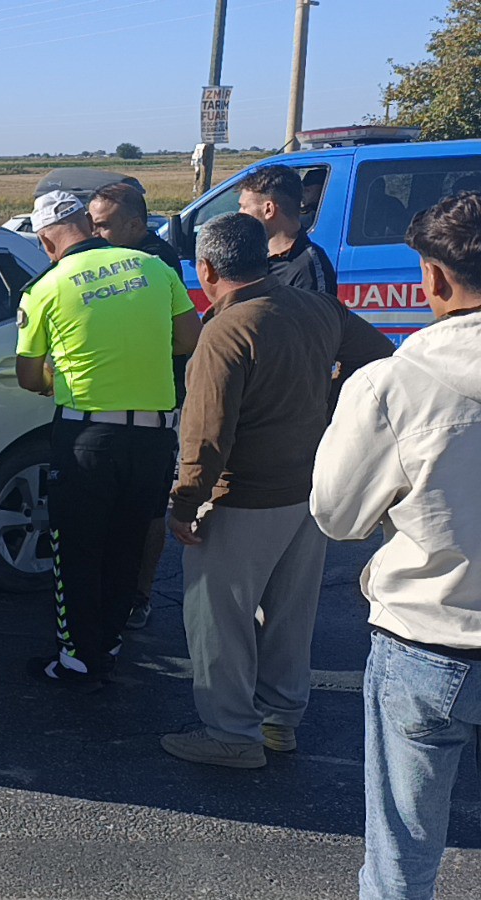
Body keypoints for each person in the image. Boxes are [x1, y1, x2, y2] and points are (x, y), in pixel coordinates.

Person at [162, 212, 393, 769]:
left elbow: (207, 432)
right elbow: (380, 358)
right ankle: (279, 722)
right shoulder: (318, 307)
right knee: (291, 614)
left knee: (220, 619)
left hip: (243, 497)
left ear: (207, 268)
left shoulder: (226, 330)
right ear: (265, 257)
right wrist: (327, 401)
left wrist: (184, 500)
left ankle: (231, 734)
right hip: (307, 491)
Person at [312, 193, 481, 898]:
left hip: (429, 638)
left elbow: (339, 515)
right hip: (429, 641)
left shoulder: (391, 384)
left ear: (434, 281)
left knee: (401, 857)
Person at [15, 191, 201, 688]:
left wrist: (61, 373)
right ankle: (111, 643)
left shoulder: (46, 287)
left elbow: (29, 377)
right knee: (126, 544)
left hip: (87, 435)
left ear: (44, 240)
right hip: (154, 437)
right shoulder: (152, 267)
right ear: (86, 224)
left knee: (76, 550)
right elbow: (189, 340)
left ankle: (76, 659)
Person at [90, 180, 187, 631]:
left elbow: (179, 337)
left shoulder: (156, 263)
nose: (96, 233)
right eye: (92, 224)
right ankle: (111, 590)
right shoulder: (106, 255)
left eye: (105, 225)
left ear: (135, 223)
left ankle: (139, 595)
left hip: (152, 406)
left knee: (148, 510)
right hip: (115, 402)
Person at [238, 165, 338, 296]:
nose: (239, 214)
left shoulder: (307, 268)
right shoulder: (255, 257)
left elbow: (316, 316)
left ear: (269, 210)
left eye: (244, 207)